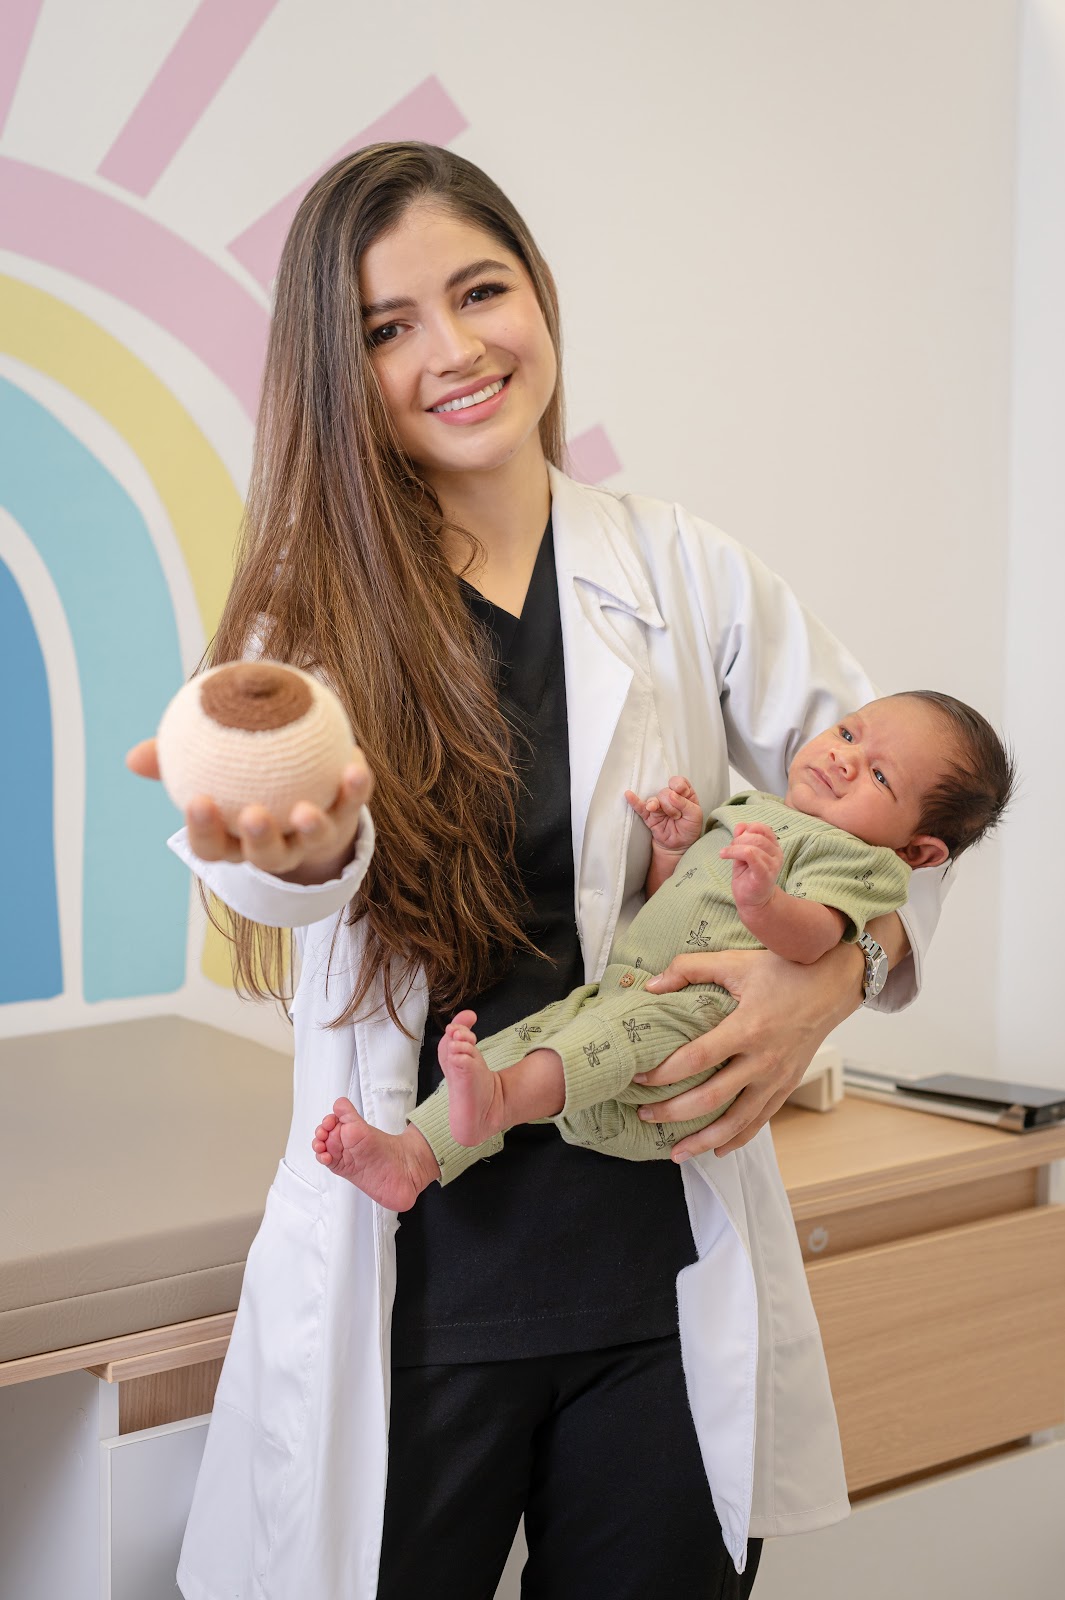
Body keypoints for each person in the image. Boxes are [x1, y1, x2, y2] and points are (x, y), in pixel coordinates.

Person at [127, 143, 953, 1599]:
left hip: (655, 1272)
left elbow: (903, 808)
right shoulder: (304, 612)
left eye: (479, 290)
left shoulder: (682, 570)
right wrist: (302, 854)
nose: (453, 350)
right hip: (422, 1294)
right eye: (388, 328)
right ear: (339, 369)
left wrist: (832, 978)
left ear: (537, 295)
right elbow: (277, 866)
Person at [312, 691, 1012, 1208]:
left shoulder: (857, 860)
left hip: (702, 1020)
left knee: (570, 1045)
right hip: (633, 993)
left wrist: (765, 901)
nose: (843, 758)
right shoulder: (751, 813)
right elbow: (678, 901)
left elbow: (816, 940)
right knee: (530, 1035)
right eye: (847, 731)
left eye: (880, 775)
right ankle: (415, 1156)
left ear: (918, 849)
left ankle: (496, 1105)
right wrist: (676, 849)